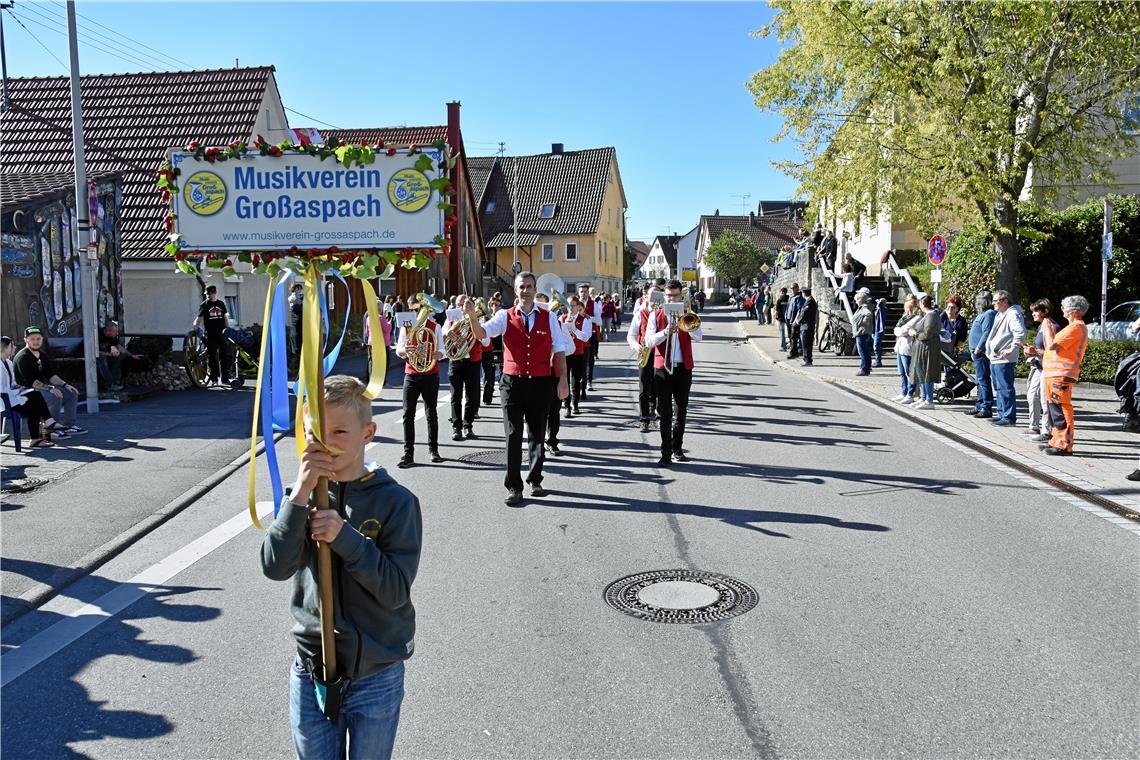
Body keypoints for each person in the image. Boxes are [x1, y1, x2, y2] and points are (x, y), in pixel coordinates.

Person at [260, 375, 421, 760]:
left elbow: (395, 590)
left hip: (375, 673)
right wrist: (298, 495)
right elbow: (274, 566)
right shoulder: (302, 497)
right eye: (315, 431)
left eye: (340, 431)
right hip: (313, 669)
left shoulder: (397, 502)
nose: (325, 442)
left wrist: (345, 538)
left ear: (368, 433)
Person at [468, 271, 571, 506]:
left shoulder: (549, 317)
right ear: (515, 290)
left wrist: (563, 380)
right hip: (512, 384)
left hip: (541, 382)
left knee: (537, 434)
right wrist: (473, 316)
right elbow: (483, 334)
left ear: (535, 290)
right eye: (521, 287)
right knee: (513, 435)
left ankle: (535, 479)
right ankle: (514, 486)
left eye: (529, 286)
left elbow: (560, 350)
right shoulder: (504, 316)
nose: (525, 290)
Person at [644, 280, 704, 467]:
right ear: (664, 296)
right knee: (665, 413)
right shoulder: (656, 315)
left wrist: (686, 326)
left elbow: (699, 337)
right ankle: (665, 452)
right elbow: (648, 342)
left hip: (683, 369)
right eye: (669, 295)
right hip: (662, 369)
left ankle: (677, 448)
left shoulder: (689, 315)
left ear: (681, 296)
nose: (672, 298)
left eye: (676, 295)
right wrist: (664, 332)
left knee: (681, 412)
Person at [1032, 296, 1090, 455]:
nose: (1063, 310)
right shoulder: (1074, 327)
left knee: (1060, 409)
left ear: (1074, 311)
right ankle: (1056, 440)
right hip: (1056, 374)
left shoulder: (1076, 327)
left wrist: (1047, 329)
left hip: (1061, 374)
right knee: (1054, 409)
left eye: (1065, 308)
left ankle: (1064, 444)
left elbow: (1052, 346)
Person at [394, 296, 445, 468]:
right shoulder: (407, 327)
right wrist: (404, 351)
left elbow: (442, 348)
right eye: (421, 308)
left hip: (430, 374)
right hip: (412, 373)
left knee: (431, 413)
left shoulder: (435, 327)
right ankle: (408, 453)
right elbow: (399, 347)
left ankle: (434, 450)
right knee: (408, 414)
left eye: (424, 308)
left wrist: (440, 354)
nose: (421, 311)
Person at [13, 326, 85, 435]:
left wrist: (65, 385)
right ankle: (50, 428)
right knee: (53, 396)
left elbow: (50, 375)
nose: (35, 342)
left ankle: (69, 425)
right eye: (32, 339)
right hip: (25, 392)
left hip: (40, 389)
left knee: (71, 393)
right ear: (25, 340)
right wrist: (50, 388)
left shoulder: (42, 355)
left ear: (42, 339)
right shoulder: (23, 357)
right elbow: (31, 382)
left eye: (38, 339)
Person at [442, 295, 490, 442]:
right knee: (455, 396)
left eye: (464, 304)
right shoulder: (451, 317)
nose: (461, 307)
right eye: (458, 304)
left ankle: (468, 425)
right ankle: (456, 428)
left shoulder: (478, 319)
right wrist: (447, 332)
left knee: (472, 395)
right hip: (455, 361)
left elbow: (486, 342)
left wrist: (476, 327)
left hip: (473, 361)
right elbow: (443, 330)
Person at [1, 335, 60, 449]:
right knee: (35, 399)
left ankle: (36, 439)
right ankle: (48, 422)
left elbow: (12, 383)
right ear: (5, 348)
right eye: (12, 346)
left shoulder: (8, 362)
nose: (15, 348)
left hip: (12, 397)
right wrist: (17, 390)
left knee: (35, 398)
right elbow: (1, 389)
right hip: (4, 401)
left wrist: (18, 387)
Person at [984, 289, 1026, 427]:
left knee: (1005, 387)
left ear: (1005, 301)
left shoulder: (1013, 314)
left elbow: (1020, 333)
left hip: (1004, 358)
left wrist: (1012, 348)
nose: (993, 303)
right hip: (996, 357)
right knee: (999, 387)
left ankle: (1009, 417)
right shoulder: (1000, 314)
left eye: (996, 301)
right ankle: (1002, 414)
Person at [1023, 299, 1060, 442]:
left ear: (1045, 311)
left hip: (1048, 368)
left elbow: (1054, 352)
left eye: (1035, 311)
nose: (1032, 314)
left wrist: (1035, 351)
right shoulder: (1042, 326)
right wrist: (1032, 351)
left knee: (1045, 399)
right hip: (1038, 366)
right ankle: (1034, 426)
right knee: (1032, 395)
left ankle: (1047, 430)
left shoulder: (1053, 327)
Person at [627, 284, 661, 433]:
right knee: (644, 387)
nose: (655, 299)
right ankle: (644, 418)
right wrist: (636, 346)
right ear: (646, 297)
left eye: (658, 296)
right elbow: (631, 335)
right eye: (652, 296)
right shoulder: (640, 314)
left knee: (660, 385)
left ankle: (659, 414)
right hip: (645, 352)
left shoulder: (663, 313)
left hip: (660, 352)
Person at [964, 291, 997, 419]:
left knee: (983, 380)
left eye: (979, 301)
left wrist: (978, 348)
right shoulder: (983, 314)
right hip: (977, 352)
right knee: (979, 380)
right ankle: (979, 405)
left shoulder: (988, 314)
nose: (976, 303)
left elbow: (986, 332)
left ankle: (986, 407)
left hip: (981, 353)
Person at [193, 285, 233, 387]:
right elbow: (199, 317)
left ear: (214, 293)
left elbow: (225, 318)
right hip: (210, 334)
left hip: (222, 333)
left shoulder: (221, 304)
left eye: (210, 294)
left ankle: (225, 379)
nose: (208, 296)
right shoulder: (204, 305)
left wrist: (228, 329)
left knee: (224, 356)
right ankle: (214, 379)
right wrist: (195, 326)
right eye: (207, 294)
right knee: (212, 357)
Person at [907, 295, 942, 409]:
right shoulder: (927, 315)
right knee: (921, 372)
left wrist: (915, 334)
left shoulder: (932, 315)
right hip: (922, 347)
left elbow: (928, 332)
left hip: (928, 348)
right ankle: (923, 397)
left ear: (922, 304)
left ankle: (929, 400)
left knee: (927, 373)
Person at [561, 296, 593, 418]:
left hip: (578, 353)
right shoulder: (562, 318)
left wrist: (574, 330)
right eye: (569, 305)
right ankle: (567, 406)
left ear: (578, 306)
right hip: (565, 354)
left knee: (576, 381)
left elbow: (586, 337)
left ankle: (575, 404)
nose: (571, 308)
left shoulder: (585, 319)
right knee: (565, 380)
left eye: (573, 305)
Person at [892, 295, 923, 404]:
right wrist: (900, 331)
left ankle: (910, 394)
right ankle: (903, 392)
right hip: (900, 347)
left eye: (909, 308)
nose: (907, 311)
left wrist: (900, 331)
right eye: (906, 308)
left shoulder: (917, 318)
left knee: (909, 372)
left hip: (908, 348)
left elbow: (904, 330)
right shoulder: (904, 317)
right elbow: (896, 329)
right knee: (901, 372)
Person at [96, 320, 143, 392]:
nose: (117, 333)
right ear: (108, 331)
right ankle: (110, 384)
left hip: (103, 354)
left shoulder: (112, 336)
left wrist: (131, 355)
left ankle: (112, 382)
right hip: (89, 354)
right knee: (103, 361)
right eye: (115, 332)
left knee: (117, 359)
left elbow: (119, 347)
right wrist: (108, 354)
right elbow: (92, 350)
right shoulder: (97, 335)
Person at [578, 283, 603, 392]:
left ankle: (588, 381)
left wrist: (588, 317)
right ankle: (577, 380)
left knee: (589, 359)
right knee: (577, 358)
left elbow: (599, 321)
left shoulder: (594, 304)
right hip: (577, 334)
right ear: (578, 293)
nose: (583, 293)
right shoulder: (574, 303)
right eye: (581, 291)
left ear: (588, 293)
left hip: (590, 334)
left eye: (585, 291)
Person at [851, 291, 874, 376]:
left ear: (860, 300)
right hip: (863, 333)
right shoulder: (861, 308)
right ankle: (867, 368)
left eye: (856, 300)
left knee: (862, 352)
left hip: (861, 333)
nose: (856, 301)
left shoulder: (864, 308)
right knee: (866, 352)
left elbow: (868, 313)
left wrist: (865, 320)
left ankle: (863, 369)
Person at [794, 287, 818, 366]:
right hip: (807, 326)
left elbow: (804, 313)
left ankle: (807, 361)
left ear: (804, 293)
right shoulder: (809, 301)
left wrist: (798, 321)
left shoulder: (809, 302)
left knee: (806, 344)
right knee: (806, 344)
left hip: (807, 326)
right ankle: (807, 360)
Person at [784, 283, 805, 358]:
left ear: (797, 288)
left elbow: (800, 310)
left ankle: (795, 352)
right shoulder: (791, 297)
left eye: (793, 288)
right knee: (791, 337)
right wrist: (786, 316)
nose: (792, 290)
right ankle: (795, 352)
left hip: (794, 321)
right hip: (789, 319)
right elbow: (788, 307)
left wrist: (796, 321)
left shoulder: (799, 297)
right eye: (791, 288)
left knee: (794, 337)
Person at [872, 297, 889, 368]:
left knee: (876, 345)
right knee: (875, 345)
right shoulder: (876, 310)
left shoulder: (883, 310)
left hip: (879, 330)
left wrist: (880, 305)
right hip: (874, 329)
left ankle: (878, 360)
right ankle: (877, 359)